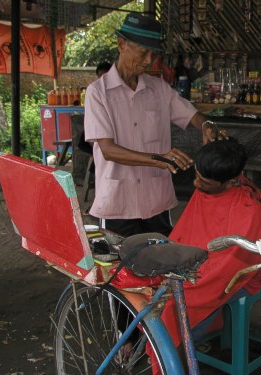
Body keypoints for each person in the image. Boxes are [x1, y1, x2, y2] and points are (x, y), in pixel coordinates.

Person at [84, 12, 217, 237]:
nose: (149, 61)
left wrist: (207, 125)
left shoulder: (159, 89)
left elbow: (193, 115)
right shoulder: (98, 93)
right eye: (143, 52)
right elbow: (108, 149)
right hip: (118, 202)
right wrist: (159, 159)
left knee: (161, 263)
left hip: (156, 200)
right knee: (119, 268)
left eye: (153, 54)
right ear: (121, 44)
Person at [158, 138, 261, 357]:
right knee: (154, 286)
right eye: (196, 176)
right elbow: (185, 234)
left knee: (175, 306)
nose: (196, 184)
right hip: (208, 262)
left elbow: (233, 266)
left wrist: (192, 282)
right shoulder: (209, 187)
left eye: (203, 181)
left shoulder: (247, 206)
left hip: (243, 272)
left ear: (231, 182)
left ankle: (179, 351)